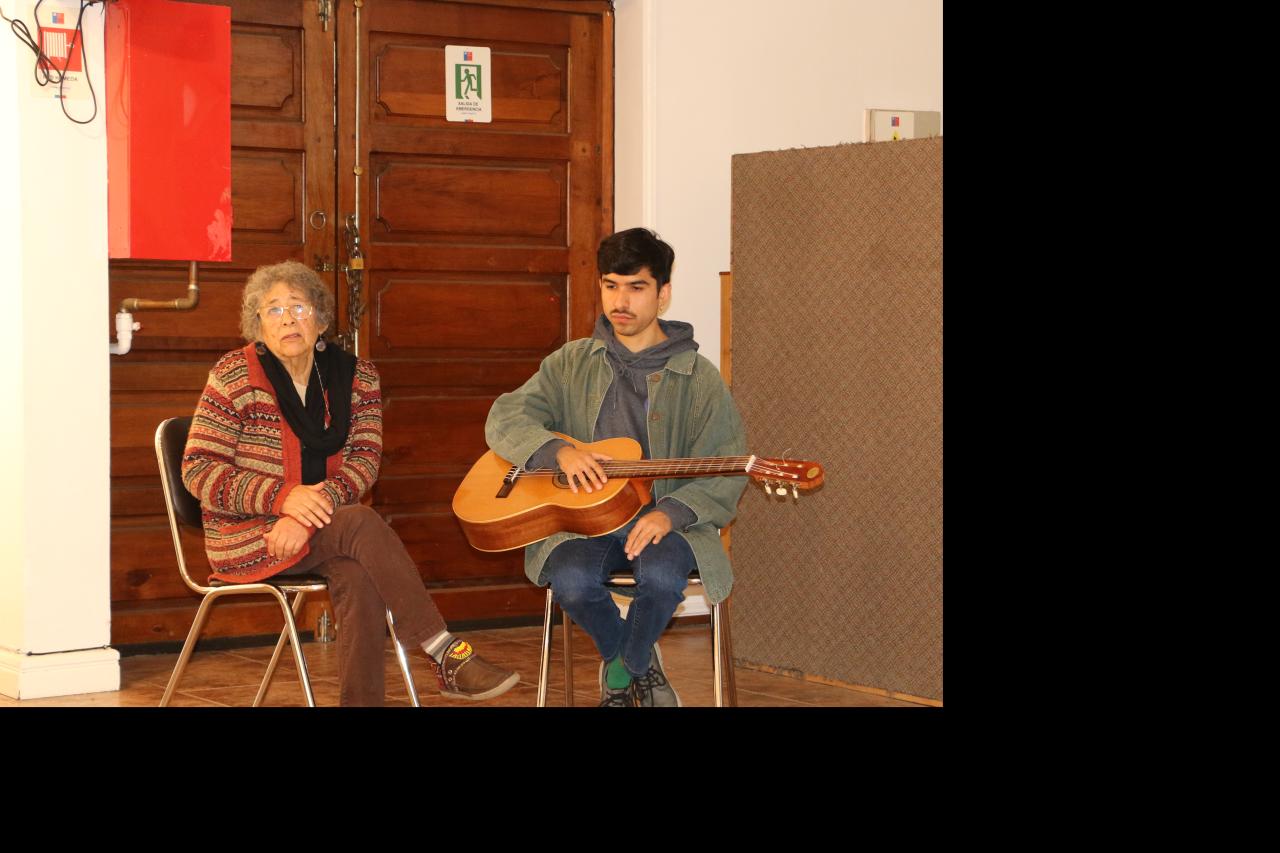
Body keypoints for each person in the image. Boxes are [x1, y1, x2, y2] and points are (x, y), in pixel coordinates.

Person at [182, 260, 520, 706]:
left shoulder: (357, 377)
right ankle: (444, 652)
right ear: (256, 324)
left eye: (299, 307)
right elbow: (199, 468)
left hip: (319, 530)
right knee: (359, 522)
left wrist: (307, 513)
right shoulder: (233, 376)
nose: (287, 319)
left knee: (359, 570)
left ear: (320, 319)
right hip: (248, 535)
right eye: (274, 309)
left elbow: (364, 462)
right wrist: (284, 501)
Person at [484, 228, 747, 706]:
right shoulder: (570, 362)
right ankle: (635, 661)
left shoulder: (699, 377)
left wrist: (673, 512)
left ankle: (625, 671)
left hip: (669, 523)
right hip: (581, 523)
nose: (620, 301)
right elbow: (506, 416)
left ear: (663, 294)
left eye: (636, 287)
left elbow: (726, 467)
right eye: (611, 285)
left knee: (664, 579)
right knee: (570, 579)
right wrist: (557, 452)